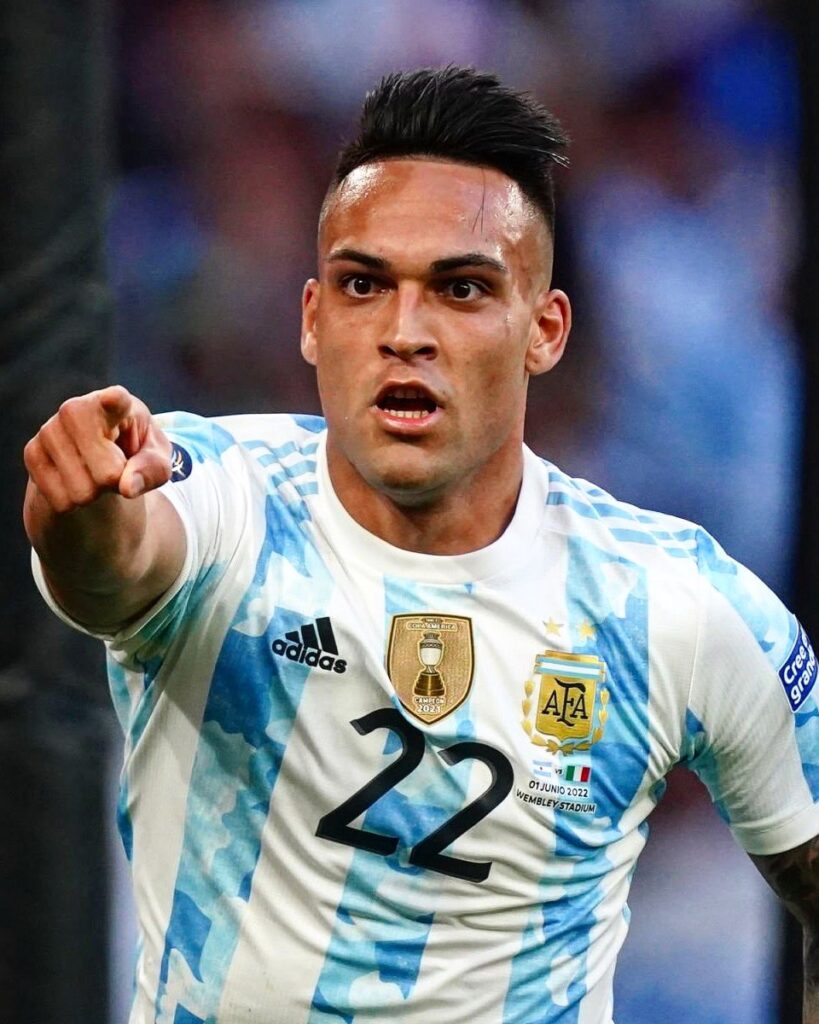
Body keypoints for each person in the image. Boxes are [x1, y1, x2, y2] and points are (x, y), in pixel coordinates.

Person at [22, 66, 819, 1024]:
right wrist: (80, 503)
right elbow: (114, 563)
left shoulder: (674, 603)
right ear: (313, 319)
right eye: (364, 285)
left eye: (461, 289)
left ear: (544, 330)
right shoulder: (219, 493)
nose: (405, 332)